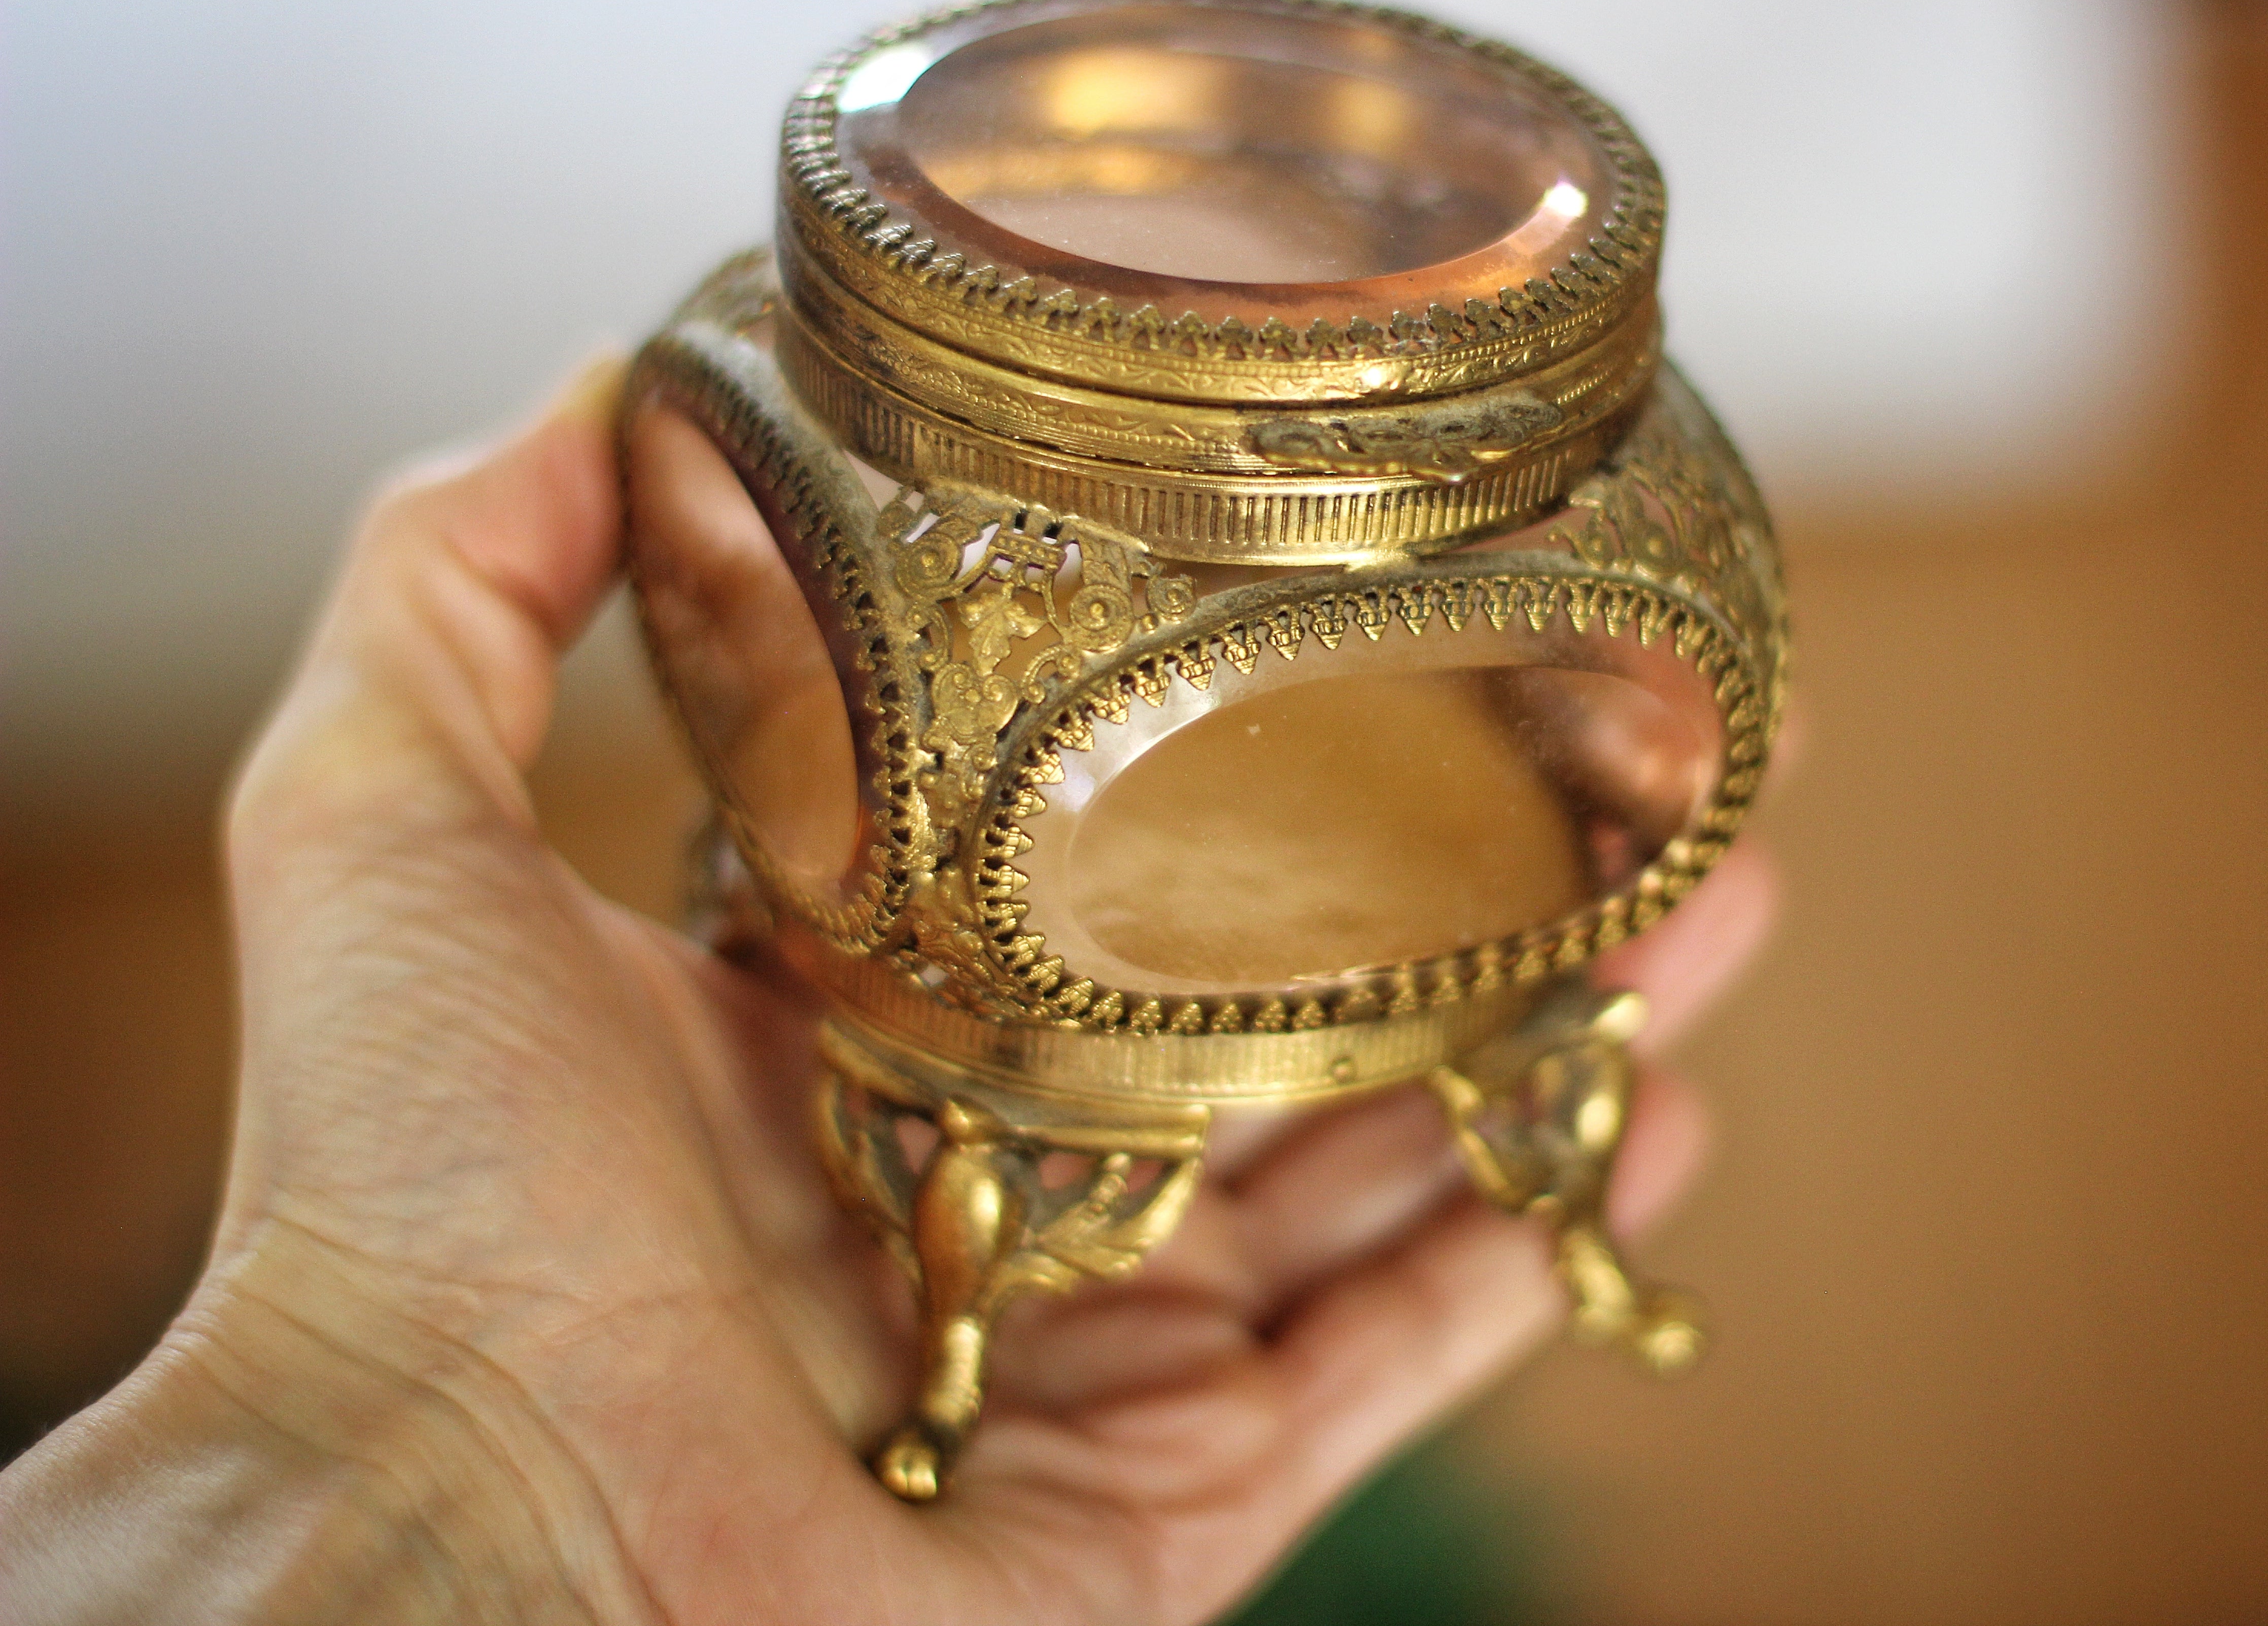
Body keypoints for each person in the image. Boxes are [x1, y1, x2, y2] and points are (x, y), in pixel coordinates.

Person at [0, 360, 1777, 1623]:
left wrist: (454, 1494)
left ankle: (1556, 1227)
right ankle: (950, 1364)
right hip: (951, 916)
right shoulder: (806, 399)